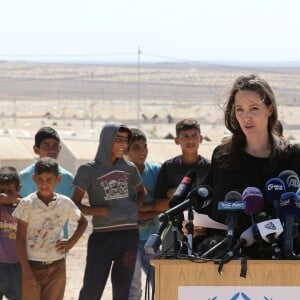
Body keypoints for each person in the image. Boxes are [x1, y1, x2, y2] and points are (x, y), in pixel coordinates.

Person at [207, 74, 300, 258]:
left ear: (270, 109)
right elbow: (214, 212)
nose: (246, 117)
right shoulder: (222, 157)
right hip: (234, 264)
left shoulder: (293, 158)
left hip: (288, 265)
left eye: (254, 109)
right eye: (239, 109)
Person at [72, 122, 147, 300]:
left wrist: (132, 209)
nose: (123, 145)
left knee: (123, 290)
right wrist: (101, 211)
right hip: (102, 236)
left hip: (128, 236)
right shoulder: (87, 170)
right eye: (118, 140)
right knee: (92, 288)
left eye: (125, 141)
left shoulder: (129, 168)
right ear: (106, 140)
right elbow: (74, 204)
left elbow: (141, 192)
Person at [13, 157, 87, 300]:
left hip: (57, 267)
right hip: (33, 266)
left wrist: (70, 243)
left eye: (49, 180)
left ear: (58, 179)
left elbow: (83, 222)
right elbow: (20, 238)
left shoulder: (65, 203)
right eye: (40, 180)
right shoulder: (26, 204)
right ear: (34, 179)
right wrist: (26, 271)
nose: (44, 185)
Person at [154, 118, 211, 254]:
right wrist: (177, 198)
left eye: (193, 135)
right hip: (173, 230)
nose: (190, 140)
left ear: (201, 138)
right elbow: (158, 204)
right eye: (185, 136)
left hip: (202, 229)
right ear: (176, 140)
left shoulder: (210, 168)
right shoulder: (168, 167)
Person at [126, 128, 163, 300]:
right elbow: (127, 215)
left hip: (153, 239)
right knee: (133, 289)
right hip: (128, 240)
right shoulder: (121, 177)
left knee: (159, 284)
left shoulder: (156, 171)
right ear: (126, 151)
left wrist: (143, 209)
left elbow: (165, 205)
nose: (142, 151)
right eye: (136, 147)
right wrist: (155, 210)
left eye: (144, 146)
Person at [19, 126, 74, 239]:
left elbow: (71, 210)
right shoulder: (23, 177)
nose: (52, 151)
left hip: (57, 243)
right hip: (30, 242)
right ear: (36, 149)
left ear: (60, 148)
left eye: (55, 147)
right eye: (46, 147)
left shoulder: (68, 178)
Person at [0, 166, 22, 300]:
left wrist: (15, 200)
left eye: (10, 191)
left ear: (18, 189)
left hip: (17, 265)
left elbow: (34, 206)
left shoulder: (24, 206)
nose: (5, 195)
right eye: (1, 191)